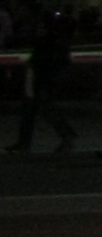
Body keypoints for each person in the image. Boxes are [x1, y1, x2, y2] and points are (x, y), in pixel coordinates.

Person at [13, 8, 78, 155]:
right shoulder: (56, 40)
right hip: (45, 79)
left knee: (41, 110)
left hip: (43, 79)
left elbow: (42, 60)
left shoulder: (48, 41)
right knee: (36, 110)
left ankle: (26, 143)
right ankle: (25, 143)